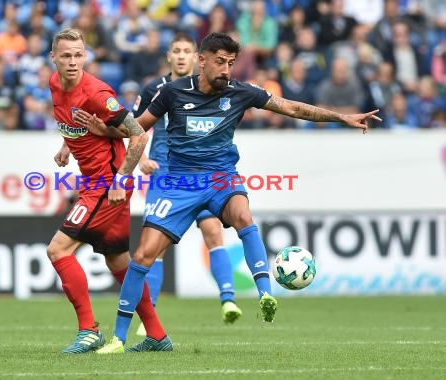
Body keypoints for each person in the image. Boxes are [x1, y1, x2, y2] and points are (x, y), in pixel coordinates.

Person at [74, 32, 381, 354]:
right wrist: (105, 130)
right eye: (220, 62)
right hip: (179, 183)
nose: (226, 70)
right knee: (141, 256)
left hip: (222, 178)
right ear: (202, 61)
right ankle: (119, 340)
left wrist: (341, 117)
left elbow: (291, 107)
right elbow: (137, 127)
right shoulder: (171, 93)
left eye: (231, 63)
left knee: (242, 215)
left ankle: (265, 293)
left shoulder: (240, 92)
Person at [46, 27, 168, 354]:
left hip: (107, 184)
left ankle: (88, 330)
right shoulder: (54, 84)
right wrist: (67, 146)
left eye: (78, 55)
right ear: (53, 58)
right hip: (94, 180)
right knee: (118, 261)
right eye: (66, 56)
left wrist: (121, 179)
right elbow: (74, 121)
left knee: (58, 250)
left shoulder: (98, 94)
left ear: (86, 56)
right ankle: (156, 334)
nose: (73, 62)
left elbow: (139, 135)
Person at [133, 32, 242, 336]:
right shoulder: (154, 88)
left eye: (187, 51)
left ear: (198, 58)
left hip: (201, 173)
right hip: (164, 173)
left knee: (212, 230)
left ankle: (228, 300)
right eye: (176, 51)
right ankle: (148, 316)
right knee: (154, 248)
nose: (182, 56)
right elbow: (134, 126)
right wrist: (140, 157)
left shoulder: (212, 88)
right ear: (169, 56)